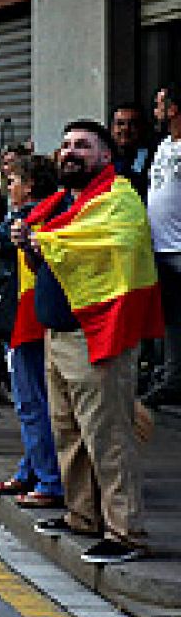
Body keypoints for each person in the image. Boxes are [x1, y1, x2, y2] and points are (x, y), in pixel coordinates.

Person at [17, 120, 163, 565]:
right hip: (58, 335)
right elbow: (53, 253)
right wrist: (32, 242)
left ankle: (125, 533)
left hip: (97, 335)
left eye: (83, 145)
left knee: (108, 436)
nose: (70, 152)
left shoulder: (120, 199)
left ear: (103, 156)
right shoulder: (59, 205)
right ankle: (83, 516)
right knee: (69, 432)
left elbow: (116, 246)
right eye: (65, 145)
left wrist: (44, 241)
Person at [0, 156, 63, 509]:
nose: (9, 187)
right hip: (27, 317)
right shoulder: (48, 212)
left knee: (31, 401)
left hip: (27, 319)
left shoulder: (28, 217)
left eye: (13, 180)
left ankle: (48, 478)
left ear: (30, 185)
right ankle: (31, 469)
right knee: (32, 399)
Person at [143, 85, 181, 408]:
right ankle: (171, 378)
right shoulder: (164, 146)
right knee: (169, 318)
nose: (155, 111)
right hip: (161, 246)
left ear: (173, 109)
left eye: (159, 104)